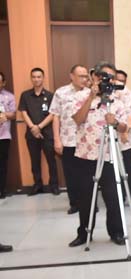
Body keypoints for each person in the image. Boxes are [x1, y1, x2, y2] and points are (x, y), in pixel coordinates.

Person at [70, 62, 129, 247]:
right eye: (104, 76)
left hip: (109, 157)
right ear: (94, 76)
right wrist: (91, 97)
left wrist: (115, 122)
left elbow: (124, 128)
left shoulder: (117, 100)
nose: (107, 81)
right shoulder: (80, 96)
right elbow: (77, 119)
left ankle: (116, 232)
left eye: (111, 78)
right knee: (85, 198)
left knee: (113, 197)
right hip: (85, 156)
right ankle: (84, 233)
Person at [51, 64, 90, 215]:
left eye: (86, 76)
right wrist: (57, 139)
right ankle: (74, 203)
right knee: (71, 174)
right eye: (81, 76)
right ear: (71, 76)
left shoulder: (90, 93)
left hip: (87, 141)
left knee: (87, 175)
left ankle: (89, 203)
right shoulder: (61, 93)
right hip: (68, 140)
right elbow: (56, 116)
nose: (84, 79)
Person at [19, 67, 58, 196]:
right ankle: (37, 185)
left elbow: (53, 114)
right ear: (31, 78)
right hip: (31, 134)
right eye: (34, 77)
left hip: (47, 134)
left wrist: (39, 127)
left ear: (43, 78)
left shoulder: (50, 95)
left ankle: (54, 185)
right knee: (34, 161)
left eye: (39, 77)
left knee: (51, 160)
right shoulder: (25, 95)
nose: (36, 79)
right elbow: (23, 112)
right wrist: (33, 128)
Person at [113, 71, 131, 208]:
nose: (120, 82)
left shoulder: (126, 92)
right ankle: (121, 196)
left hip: (127, 136)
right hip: (110, 138)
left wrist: (125, 131)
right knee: (116, 169)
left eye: (122, 80)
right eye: (117, 79)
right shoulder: (103, 91)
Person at [0, 72, 16, 199]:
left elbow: (13, 114)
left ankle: (2, 190)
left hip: (3, 136)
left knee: (2, 164)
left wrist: (4, 114)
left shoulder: (9, 96)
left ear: (3, 83)